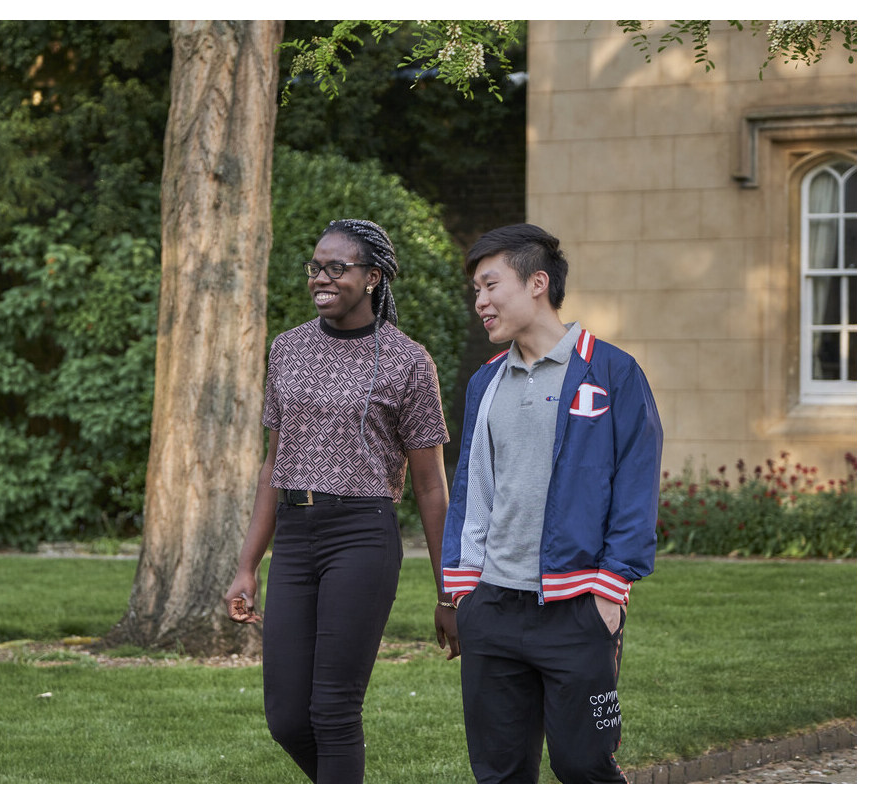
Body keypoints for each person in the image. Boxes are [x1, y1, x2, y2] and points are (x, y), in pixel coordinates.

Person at [224, 218, 459, 784]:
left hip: (362, 534)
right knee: (285, 718)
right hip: (296, 533)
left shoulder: (407, 361)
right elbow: (272, 466)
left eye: (337, 267)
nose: (321, 278)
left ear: (373, 276)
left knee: (332, 709)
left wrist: (449, 592)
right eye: (315, 267)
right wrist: (246, 565)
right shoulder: (288, 349)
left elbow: (431, 486)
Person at [440, 223, 663, 783]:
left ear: (537, 282)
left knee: (584, 766)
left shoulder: (613, 372)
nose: (480, 302)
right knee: (499, 773)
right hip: (492, 608)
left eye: (490, 286)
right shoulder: (485, 382)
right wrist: (464, 590)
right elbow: (471, 489)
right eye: (476, 290)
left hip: (578, 608)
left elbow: (637, 484)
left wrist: (609, 593)